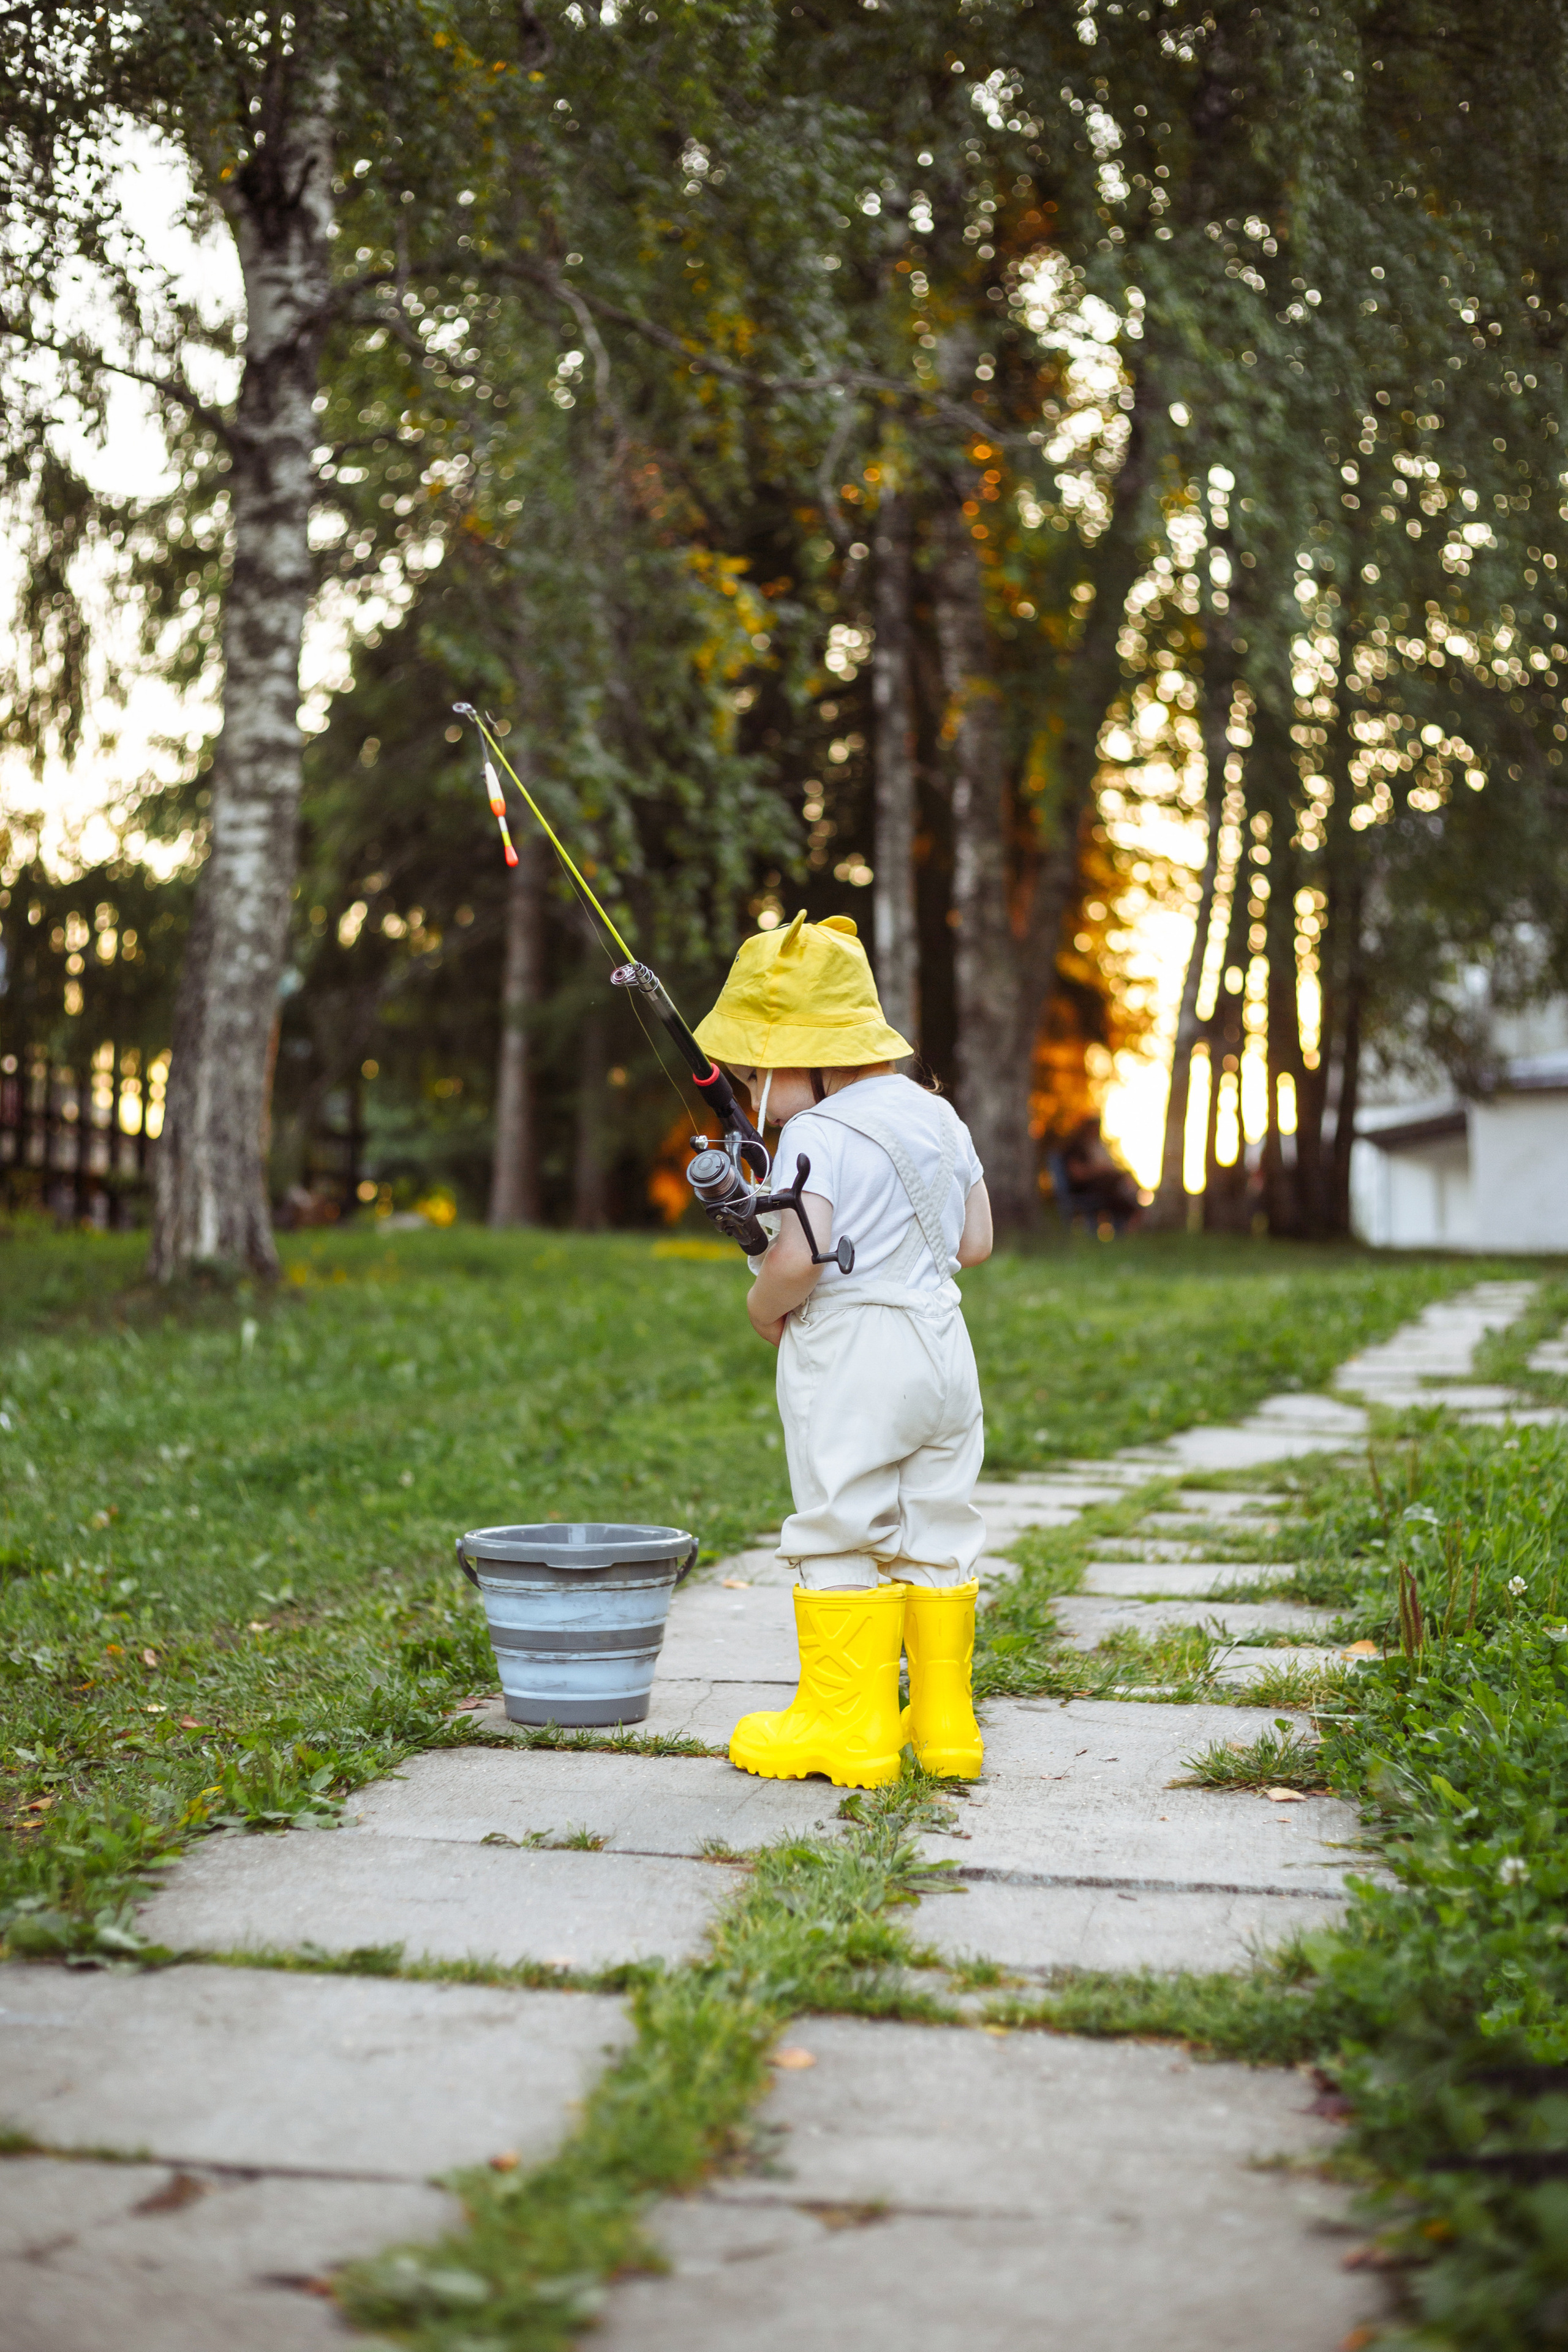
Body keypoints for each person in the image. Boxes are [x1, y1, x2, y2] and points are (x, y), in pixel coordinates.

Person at [692, 911, 994, 1790]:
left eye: (756, 1069)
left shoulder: (818, 1133)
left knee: (839, 1522)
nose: (752, 1088)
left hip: (855, 1351)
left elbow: (796, 1259)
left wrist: (761, 1306)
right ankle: (944, 1727)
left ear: (802, 1056)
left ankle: (847, 1725)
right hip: (944, 1345)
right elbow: (975, 1242)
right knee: (938, 1527)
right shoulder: (937, 1112)